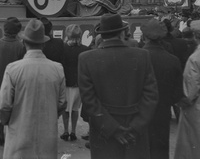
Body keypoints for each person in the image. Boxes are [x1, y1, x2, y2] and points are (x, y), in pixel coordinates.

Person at [78, 13, 158, 159]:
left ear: (101, 36)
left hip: (104, 131)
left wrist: (113, 129)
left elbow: (89, 100)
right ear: (122, 33)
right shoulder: (142, 56)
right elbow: (151, 97)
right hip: (135, 129)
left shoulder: (86, 59)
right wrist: (135, 127)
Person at [0, 19, 67, 159]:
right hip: (47, 140)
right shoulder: (57, 69)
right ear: (44, 43)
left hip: (19, 138)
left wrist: (8, 122)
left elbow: (4, 105)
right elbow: (62, 104)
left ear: (24, 42)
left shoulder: (13, 69)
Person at [141, 19, 183, 159]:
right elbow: (177, 94)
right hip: (163, 114)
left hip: (140, 114)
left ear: (144, 36)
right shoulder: (173, 60)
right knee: (160, 151)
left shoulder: (137, 57)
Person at [0, 17, 25, 146]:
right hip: (15, 82)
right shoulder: (20, 45)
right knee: (14, 108)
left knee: (0, 108)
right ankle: (11, 134)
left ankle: (1, 134)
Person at [174, 20, 200, 159]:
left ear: (195, 37)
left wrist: (183, 101)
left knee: (193, 141)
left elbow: (191, 87)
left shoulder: (195, 58)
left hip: (197, 107)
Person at [60, 24, 90, 142]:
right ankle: (73, 131)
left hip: (66, 83)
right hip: (78, 84)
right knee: (75, 109)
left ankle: (65, 131)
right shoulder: (85, 49)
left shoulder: (63, 48)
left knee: (66, 109)